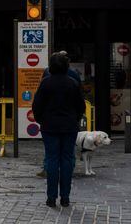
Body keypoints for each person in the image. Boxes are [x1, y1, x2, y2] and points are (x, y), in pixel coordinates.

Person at [32, 53, 85, 208]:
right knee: (67, 159)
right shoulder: (73, 83)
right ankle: (65, 197)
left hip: (49, 126)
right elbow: (80, 106)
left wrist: (41, 120)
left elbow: (37, 106)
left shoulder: (45, 83)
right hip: (69, 126)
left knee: (52, 159)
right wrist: (75, 118)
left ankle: (51, 197)